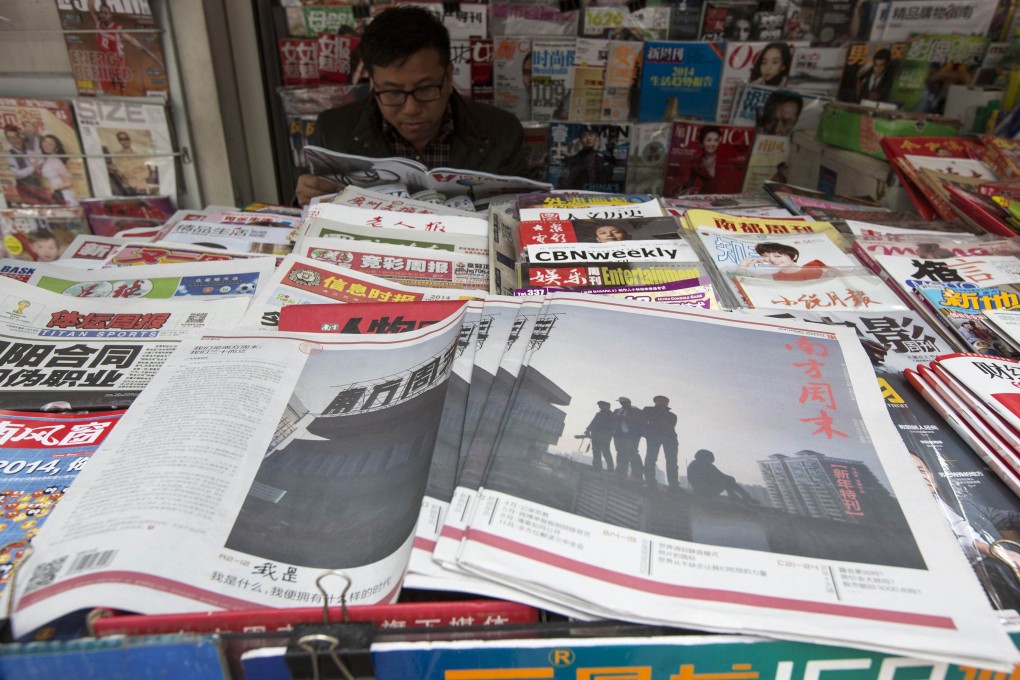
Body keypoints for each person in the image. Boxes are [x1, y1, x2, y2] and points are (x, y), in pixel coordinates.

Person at [295, 6, 527, 206]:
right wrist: (309, 197)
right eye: (393, 92)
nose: (411, 109)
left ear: (448, 76)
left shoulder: (501, 132)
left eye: (425, 89)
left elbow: (526, 211)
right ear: (373, 83)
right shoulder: (334, 132)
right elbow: (316, 213)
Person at [910, 452, 1020, 611]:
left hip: (1005, 567)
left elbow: (1008, 518)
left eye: (921, 470)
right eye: (911, 472)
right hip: (974, 580)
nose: (921, 478)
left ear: (932, 476)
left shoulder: (963, 503)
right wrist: (997, 551)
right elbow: (955, 542)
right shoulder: (910, 515)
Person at [686, 449, 757, 503]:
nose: (709, 462)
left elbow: (721, 476)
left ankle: (734, 495)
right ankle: (740, 496)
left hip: (705, 487)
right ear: (704, 458)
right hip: (704, 490)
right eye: (709, 460)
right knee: (728, 480)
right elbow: (721, 476)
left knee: (728, 479)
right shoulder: (699, 465)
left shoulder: (701, 465)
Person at [558, 126, 616, 191]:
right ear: (580, 139)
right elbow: (565, 182)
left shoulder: (604, 160)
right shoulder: (573, 160)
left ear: (596, 137)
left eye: (591, 135)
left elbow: (607, 182)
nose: (588, 138)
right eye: (584, 136)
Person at [641, 396, 679, 489]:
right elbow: (642, 422)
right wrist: (647, 434)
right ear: (655, 402)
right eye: (660, 401)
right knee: (651, 459)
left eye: (665, 401)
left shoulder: (672, 415)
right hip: (656, 437)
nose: (663, 403)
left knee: (671, 462)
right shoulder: (648, 410)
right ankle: (650, 481)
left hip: (669, 439)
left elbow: (671, 426)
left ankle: (673, 485)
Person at [4, 125, 47, 205]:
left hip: (37, 184)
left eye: (17, 136)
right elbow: (17, 173)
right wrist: (33, 167)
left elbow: (41, 159)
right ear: (7, 140)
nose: (14, 140)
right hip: (24, 187)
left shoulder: (28, 149)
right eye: (10, 138)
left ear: (21, 136)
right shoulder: (9, 154)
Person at [738, 242, 825, 281]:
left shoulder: (816, 267)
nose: (771, 260)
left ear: (794, 256)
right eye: (765, 256)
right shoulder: (769, 278)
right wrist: (743, 265)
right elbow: (741, 283)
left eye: (777, 256)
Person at [681, 126, 721, 195]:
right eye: (709, 140)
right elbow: (690, 184)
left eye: (716, 140)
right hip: (702, 199)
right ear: (702, 143)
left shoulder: (725, 161)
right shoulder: (695, 163)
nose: (712, 144)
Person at [39, 134, 76, 206]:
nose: (46, 145)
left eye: (50, 144)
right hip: (56, 195)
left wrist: (52, 189)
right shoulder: (48, 159)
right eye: (45, 142)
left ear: (56, 148)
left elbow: (68, 182)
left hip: (63, 195)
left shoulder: (55, 161)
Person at [613, 397, 644, 479]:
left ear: (629, 403)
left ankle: (637, 474)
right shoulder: (617, 410)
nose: (622, 404)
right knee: (620, 453)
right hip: (619, 435)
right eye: (621, 402)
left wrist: (625, 418)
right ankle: (621, 473)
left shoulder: (636, 410)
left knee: (632, 453)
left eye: (623, 402)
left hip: (631, 435)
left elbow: (639, 422)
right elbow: (613, 420)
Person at [584, 400, 615, 472]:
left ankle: (610, 469)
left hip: (605, 436)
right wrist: (588, 430)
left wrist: (608, 435)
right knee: (596, 451)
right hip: (595, 435)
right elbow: (593, 422)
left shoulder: (611, 415)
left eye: (601, 405)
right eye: (599, 406)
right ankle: (597, 467)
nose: (600, 407)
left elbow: (613, 427)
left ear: (607, 406)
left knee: (605, 451)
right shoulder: (598, 414)